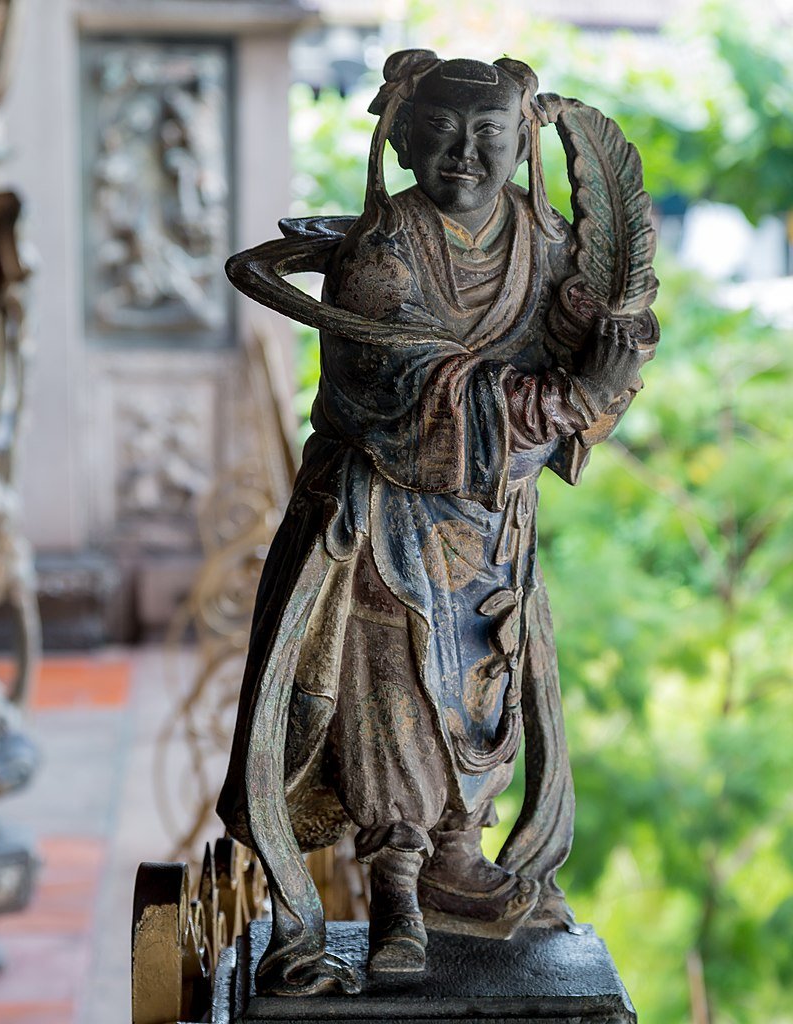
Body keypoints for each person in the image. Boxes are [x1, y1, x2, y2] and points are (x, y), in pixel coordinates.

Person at [219, 52, 658, 995]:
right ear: (408, 138)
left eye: (489, 137)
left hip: (495, 521)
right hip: (388, 511)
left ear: (519, 142)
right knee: (395, 690)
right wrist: (567, 398)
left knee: (478, 682)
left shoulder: (543, 242)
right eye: (444, 136)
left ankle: (462, 856)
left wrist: (611, 365)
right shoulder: (382, 253)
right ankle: (397, 888)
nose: (464, 156)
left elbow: (592, 347)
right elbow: (412, 390)